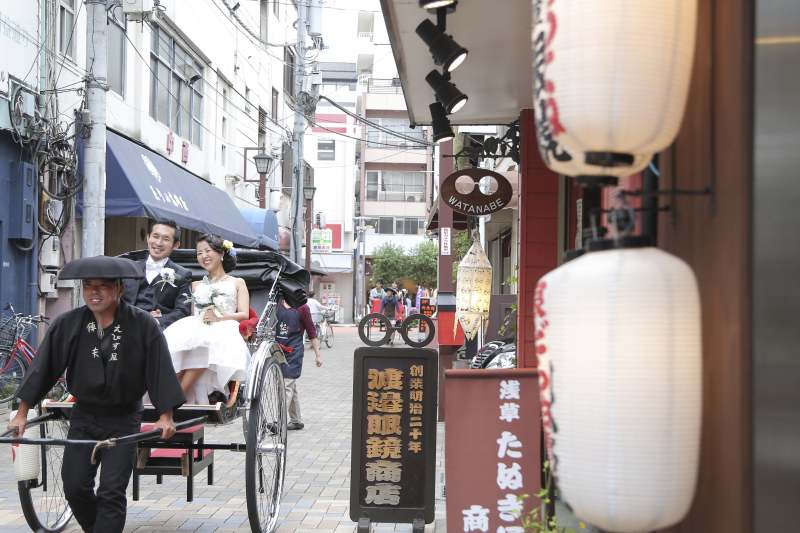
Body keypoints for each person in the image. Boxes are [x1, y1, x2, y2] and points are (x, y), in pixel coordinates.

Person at [8, 256, 184, 533]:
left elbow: (158, 371)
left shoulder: (142, 324)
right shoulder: (69, 323)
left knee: (112, 491)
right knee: (74, 486)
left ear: (119, 289)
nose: (94, 292)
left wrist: (166, 416)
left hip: (124, 418)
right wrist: (21, 414)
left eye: (102, 286)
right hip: (84, 416)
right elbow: (43, 368)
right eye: (89, 286)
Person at [163, 234, 249, 404]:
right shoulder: (196, 284)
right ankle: (167, 393)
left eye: (207, 251)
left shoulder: (238, 282)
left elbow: (244, 314)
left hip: (225, 326)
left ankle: (177, 399)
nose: (203, 256)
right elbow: (194, 313)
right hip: (198, 324)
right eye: (199, 253)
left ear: (221, 254)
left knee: (205, 343)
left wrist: (220, 318)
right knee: (178, 344)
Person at [123, 219, 192, 330]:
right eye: (155, 236)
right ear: (148, 238)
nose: (158, 243)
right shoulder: (129, 268)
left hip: (157, 331)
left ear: (176, 245)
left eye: (166, 239)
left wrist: (158, 320)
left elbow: (182, 311)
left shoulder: (182, 275)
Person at [275, 298, 322, 430]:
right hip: (278, 350)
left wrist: (318, 355)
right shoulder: (277, 304)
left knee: (286, 386)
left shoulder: (303, 308)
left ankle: (279, 422)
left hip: (294, 351)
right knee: (290, 386)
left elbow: (312, 332)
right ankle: (296, 420)